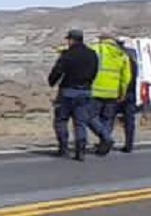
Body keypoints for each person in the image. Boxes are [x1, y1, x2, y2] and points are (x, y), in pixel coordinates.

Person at [47, 29, 108, 160]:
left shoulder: (68, 54)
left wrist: (52, 81)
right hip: (85, 91)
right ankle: (80, 151)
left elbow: (58, 70)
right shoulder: (92, 54)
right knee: (80, 122)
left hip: (67, 91)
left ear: (71, 40)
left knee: (61, 120)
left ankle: (63, 148)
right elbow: (94, 72)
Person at [91, 35, 138, 154]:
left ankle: (106, 139)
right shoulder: (129, 58)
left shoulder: (105, 52)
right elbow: (128, 78)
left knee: (99, 117)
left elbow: (125, 78)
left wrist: (121, 93)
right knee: (126, 120)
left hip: (108, 92)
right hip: (124, 93)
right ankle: (128, 144)